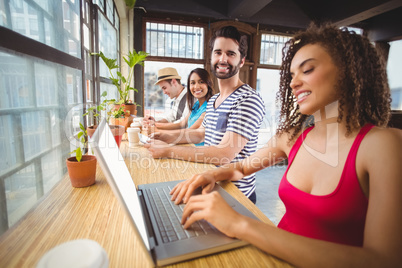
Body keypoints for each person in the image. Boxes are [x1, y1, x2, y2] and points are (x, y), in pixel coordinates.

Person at [169, 23, 402, 267]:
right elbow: (241, 167)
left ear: (350, 71)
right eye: (291, 75)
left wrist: (240, 223)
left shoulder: (384, 146)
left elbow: (384, 260)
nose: (293, 83)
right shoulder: (291, 137)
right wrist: (209, 174)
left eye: (308, 70)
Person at [145, 26, 265, 203]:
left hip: (235, 196)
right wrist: (166, 137)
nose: (223, 59)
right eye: (218, 52)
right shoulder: (215, 99)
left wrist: (169, 150)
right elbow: (201, 133)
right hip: (212, 185)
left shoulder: (248, 99)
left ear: (241, 61)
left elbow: (224, 153)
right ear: (211, 58)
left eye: (231, 54)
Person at [148, 68, 214, 146]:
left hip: (198, 150)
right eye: (192, 83)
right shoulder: (196, 105)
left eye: (201, 82)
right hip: (188, 144)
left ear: (208, 83)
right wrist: (156, 125)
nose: (196, 86)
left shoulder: (210, 107)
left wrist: (158, 130)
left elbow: (190, 131)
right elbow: (180, 122)